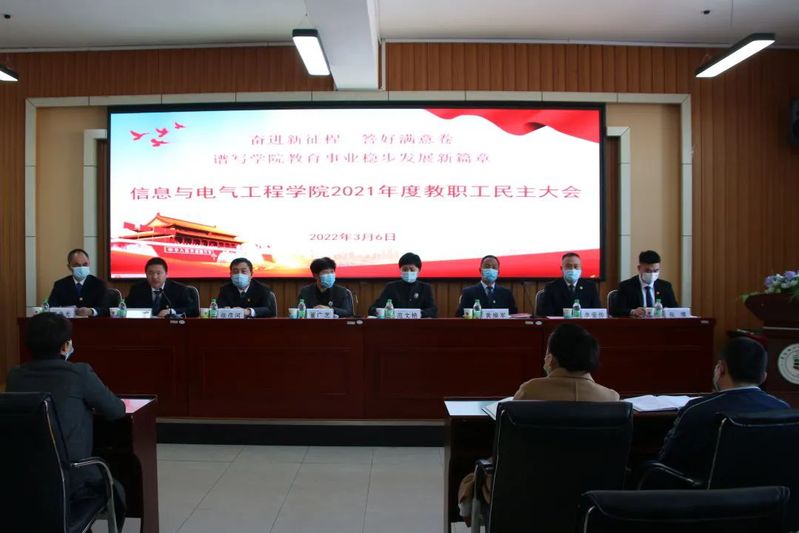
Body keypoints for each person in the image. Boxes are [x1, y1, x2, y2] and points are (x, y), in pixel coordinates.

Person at [458, 323, 619, 524]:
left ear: (551, 358)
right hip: (593, 497)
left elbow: (508, 446)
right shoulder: (611, 398)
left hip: (529, 492)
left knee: (481, 472)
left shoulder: (531, 391)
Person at [6, 312, 127, 530]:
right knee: (115, 485)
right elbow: (116, 410)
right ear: (65, 346)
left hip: (20, 481)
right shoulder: (79, 373)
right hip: (70, 480)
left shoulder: (15, 376)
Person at [657, 336, 789, 480]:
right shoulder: (783, 410)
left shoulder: (696, 410)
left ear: (721, 369)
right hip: (769, 493)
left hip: (706, 493)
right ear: (763, 377)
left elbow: (667, 463)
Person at [609, 250, 679, 317]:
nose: (652, 274)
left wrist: (664, 311)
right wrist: (632, 311)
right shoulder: (626, 286)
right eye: (648, 271)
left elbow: (675, 309)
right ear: (639, 268)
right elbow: (615, 311)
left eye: (656, 271)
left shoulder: (665, 286)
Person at [368, 252, 437, 318]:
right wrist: (387, 312)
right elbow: (373, 309)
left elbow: (433, 310)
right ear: (400, 270)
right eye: (405, 269)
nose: (408, 272)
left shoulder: (425, 288)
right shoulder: (391, 287)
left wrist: (417, 313)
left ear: (419, 270)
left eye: (412, 269)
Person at [125, 257, 199, 317]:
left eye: (158, 273)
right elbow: (125, 308)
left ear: (166, 274)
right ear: (146, 274)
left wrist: (172, 311)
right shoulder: (137, 289)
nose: (154, 277)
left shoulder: (179, 289)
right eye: (150, 273)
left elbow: (193, 310)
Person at [47, 248, 111, 317]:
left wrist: (91, 311)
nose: (81, 267)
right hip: (67, 322)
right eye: (77, 265)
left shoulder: (99, 284)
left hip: (91, 322)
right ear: (69, 267)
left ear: (89, 264)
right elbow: (51, 307)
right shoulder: (60, 285)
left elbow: (106, 309)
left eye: (85, 264)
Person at [537, 252, 601, 316]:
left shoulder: (590, 287)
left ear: (581, 268)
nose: (572, 269)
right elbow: (545, 314)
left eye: (576, 266)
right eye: (568, 266)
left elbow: (597, 312)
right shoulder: (551, 287)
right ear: (561, 268)